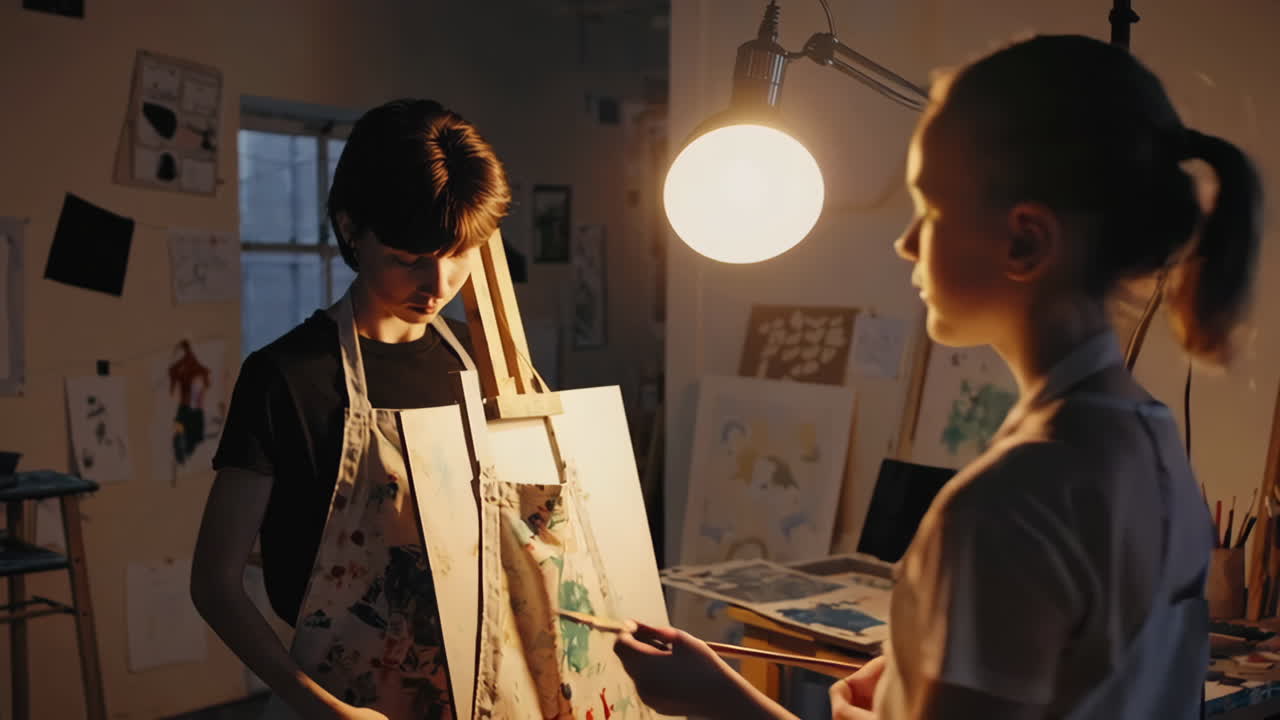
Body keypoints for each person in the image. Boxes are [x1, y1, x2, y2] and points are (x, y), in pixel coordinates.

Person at [615, 34, 1262, 720]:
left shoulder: (1010, 503)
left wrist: (721, 700)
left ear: (1025, 241)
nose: (906, 243)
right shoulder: (1153, 442)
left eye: (930, 209)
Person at [191, 98, 510, 720]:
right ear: (349, 229)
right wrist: (316, 706)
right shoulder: (286, 378)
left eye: (459, 254)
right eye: (408, 259)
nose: (439, 285)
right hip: (335, 701)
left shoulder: (482, 368)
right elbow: (215, 585)